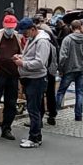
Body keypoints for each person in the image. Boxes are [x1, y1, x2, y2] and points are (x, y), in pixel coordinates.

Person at [14, 17, 56, 148]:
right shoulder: (33, 39)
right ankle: (35, 136)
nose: (24, 36)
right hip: (31, 78)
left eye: (25, 33)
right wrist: (22, 57)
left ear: (33, 29)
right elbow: (33, 57)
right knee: (33, 108)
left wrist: (23, 63)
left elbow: (40, 62)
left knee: (34, 110)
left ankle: (35, 138)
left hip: (36, 79)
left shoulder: (42, 41)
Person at [56, 20, 83, 121]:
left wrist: (60, 68)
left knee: (61, 91)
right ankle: (78, 115)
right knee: (79, 92)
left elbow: (63, 56)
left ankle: (54, 111)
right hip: (82, 67)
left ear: (71, 28)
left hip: (69, 68)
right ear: (80, 27)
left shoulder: (67, 39)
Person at [34, 15, 59, 125]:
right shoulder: (52, 42)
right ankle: (52, 114)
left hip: (45, 71)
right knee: (50, 93)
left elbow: (42, 60)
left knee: (40, 94)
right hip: (51, 71)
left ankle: (39, 117)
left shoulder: (42, 40)